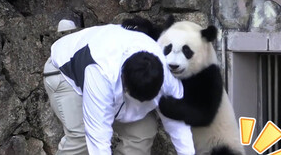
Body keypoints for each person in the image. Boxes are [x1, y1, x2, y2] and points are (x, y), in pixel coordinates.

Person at [43, 23, 195, 155]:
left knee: (143, 131)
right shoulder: (100, 74)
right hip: (65, 72)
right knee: (81, 137)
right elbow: (98, 140)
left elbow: (178, 124)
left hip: (112, 83)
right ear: (124, 82)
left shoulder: (167, 75)